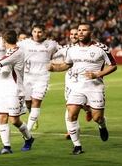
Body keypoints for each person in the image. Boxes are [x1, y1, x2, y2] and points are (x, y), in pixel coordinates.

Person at [48, 23, 117, 154]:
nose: (80, 33)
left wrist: (97, 74)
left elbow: (113, 66)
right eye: (79, 30)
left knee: (97, 118)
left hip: (95, 87)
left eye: (84, 30)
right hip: (76, 86)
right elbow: (66, 65)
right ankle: (77, 146)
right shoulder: (72, 49)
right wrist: (54, 68)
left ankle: (102, 125)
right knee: (71, 114)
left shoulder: (101, 48)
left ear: (91, 32)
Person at [0, 30, 35, 155]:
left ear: (4, 41)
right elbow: (4, 70)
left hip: (15, 90)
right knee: (2, 117)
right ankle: (6, 147)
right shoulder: (9, 52)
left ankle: (29, 138)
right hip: (3, 90)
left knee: (14, 120)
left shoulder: (17, 52)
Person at [53, 28, 92, 140]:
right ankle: (72, 131)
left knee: (85, 105)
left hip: (85, 81)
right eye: (72, 34)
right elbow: (52, 56)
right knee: (69, 105)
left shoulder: (88, 48)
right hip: (70, 81)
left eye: (76, 34)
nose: (74, 36)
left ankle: (88, 110)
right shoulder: (65, 49)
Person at [18, 24, 59, 132]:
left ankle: (28, 131)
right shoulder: (24, 43)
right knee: (27, 103)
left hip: (42, 77)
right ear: (32, 32)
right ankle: (33, 118)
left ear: (44, 33)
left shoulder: (51, 44)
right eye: (35, 31)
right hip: (26, 77)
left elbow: (64, 53)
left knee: (36, 101)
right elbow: (9, 47)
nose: (37, 34)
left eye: (40, 32)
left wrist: (55, 65)